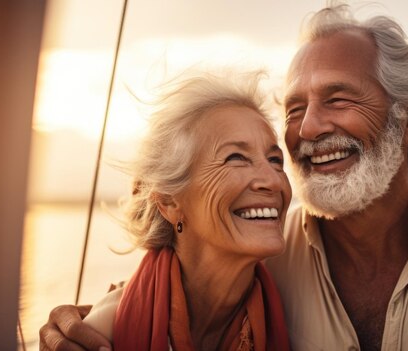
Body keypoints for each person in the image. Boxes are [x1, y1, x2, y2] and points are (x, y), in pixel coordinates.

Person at [40, 3, 408, 351]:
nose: (308, 129)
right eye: (294, 109)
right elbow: (169, 297)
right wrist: (81, 323)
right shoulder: (261, 256)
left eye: (338, 98)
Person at [41, 70, 293, 351]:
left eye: (275, 159)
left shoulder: (297, 298)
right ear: (170, 202)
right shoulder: (102, 333)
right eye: (236, 158)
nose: (273, 180)